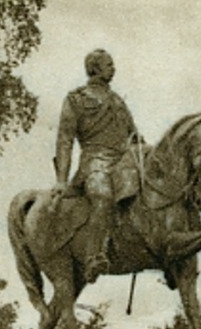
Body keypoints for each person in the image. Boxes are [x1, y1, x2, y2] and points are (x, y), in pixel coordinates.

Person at [53, 49, 141, 281]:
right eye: (109, 64)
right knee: (101, 196)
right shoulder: (76, 100)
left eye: (113, 64)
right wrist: (61, 180)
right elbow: (64, 141)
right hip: (96, 161)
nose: (113, 68)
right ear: (95, 68)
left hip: (124, 161)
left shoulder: (117, 101)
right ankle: (93, 256)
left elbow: (135, 137)